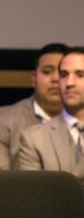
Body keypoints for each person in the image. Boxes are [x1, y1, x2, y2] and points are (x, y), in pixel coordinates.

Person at [0, 43, 66, 169]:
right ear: (34, 78)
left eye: (62, 73)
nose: (55, 78)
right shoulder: (2, 120)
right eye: (47, 71)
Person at [15, 47, 84, 181]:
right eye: (63, 75)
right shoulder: (34, 139)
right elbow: (33, 195)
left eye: (80, 75)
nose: (69, 83)